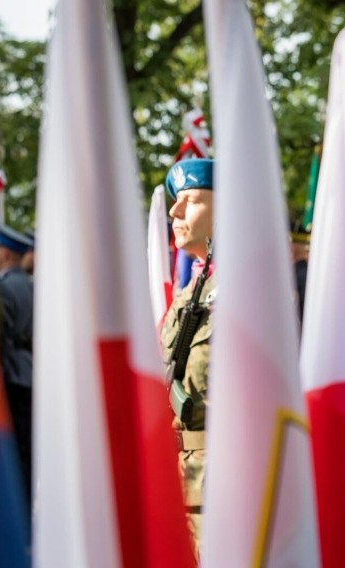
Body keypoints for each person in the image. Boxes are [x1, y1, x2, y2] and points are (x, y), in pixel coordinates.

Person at [159, 158, 215, 558]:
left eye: (190, 201)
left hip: (223, 483)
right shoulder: (190, 291)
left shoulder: (254, 289)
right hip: (179, 475)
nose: (175, 211)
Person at [0, 223, 34, 504]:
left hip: (12, 373)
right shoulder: (32, 285)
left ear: (5, 254)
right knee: (27, 449)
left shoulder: (3, 289)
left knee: (15, 450)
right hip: (31, 372)